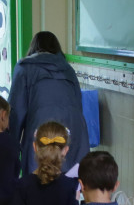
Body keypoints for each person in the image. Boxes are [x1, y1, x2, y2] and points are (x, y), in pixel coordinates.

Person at [8, 31, 89, 176]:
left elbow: (16, 112)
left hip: (40, 128)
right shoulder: (68, 69)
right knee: (68, 183)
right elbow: (78, 104)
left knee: (38, 181)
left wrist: (11, 146)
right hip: (72, 130)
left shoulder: (25, 68)